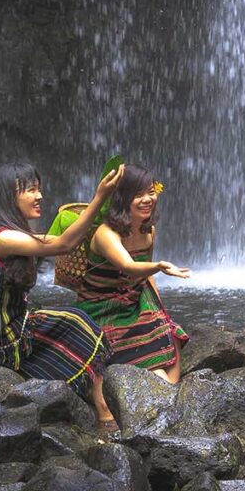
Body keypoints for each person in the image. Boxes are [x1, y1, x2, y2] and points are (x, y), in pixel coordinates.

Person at [0, 162, 123, 423]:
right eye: (30, 190)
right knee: (80, 323)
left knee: (53, 318)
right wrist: (99, 199)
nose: (39, 196)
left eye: (39, 189)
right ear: (10, 196)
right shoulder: (3, 238)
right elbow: (64, 244)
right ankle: (103, 412)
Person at [53, 164, 190, 384]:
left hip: (134, 303)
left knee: (171, 333)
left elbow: (145, 275)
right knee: (133, 353)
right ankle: (160, 392)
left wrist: (159, 313)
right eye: (138, 195)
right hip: (101, 307)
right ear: (123, 199)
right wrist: (160, 265)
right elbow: (128, 266)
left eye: (151, 193)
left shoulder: (148, 231)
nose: (147, 200)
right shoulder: (106, 233)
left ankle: (172, 392)